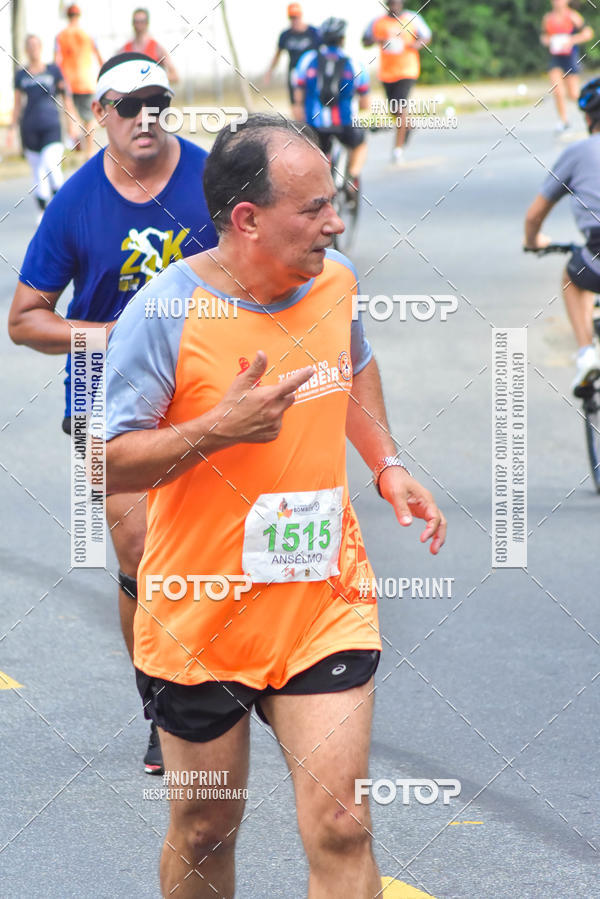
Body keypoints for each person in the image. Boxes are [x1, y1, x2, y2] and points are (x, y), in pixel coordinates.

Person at [103, 113, 446, 898]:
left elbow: (353, 365)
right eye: (314, 207)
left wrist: (387, 463)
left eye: (333, 202)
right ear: (248, 218)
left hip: (321, 601)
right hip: (202, 613)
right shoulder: (163, 313)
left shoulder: (335, 281)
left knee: (343, 822)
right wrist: (216, 430)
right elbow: (106, 460)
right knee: (205, 828)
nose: (335, 222)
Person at [8, 52, 218, 774]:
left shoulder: (213, 181)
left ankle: (237, 680)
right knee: (142, 554)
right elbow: (25, 319)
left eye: (157, 104)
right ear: (100, 114)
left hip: (206, 389)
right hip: (107, 395)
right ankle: (163, 707)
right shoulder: (75, 202)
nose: (144, 119)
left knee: (219, 549)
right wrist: (112, 334)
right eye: (128, 106)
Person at [524, 77, 600, 395]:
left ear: (588, 118)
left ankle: (587, 355)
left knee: (573, 276)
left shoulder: (578, 152)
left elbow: (534, 215)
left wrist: (533, 242)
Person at [292, 18, 370, 201]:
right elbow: (365, 103)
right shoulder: (355, 63)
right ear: (343, 39)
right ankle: (352, 179)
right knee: (360, 144)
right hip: (344, 122)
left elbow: (298, 99)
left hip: (315, 124)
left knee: (315, 153)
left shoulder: (307, 60)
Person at [7, 34, 77, 221]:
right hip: (29, 127)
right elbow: (17, 104)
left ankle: (61, 204)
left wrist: (71, 123)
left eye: (35, 45)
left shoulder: (53, 70)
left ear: (41, 47)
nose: (33, 49)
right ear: (26, 49)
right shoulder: (21, 75)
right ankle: (43, 210)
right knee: (38, 170)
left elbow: (66, 98)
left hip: (51, 125)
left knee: (51, 163)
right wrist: (12, 129)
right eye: (29, 46)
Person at [362, 0, 431, 164]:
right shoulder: (378, 22)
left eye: (397, 3)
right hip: (387, 73)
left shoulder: (412, 18)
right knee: (394, 110)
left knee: (400, 108)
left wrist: (415, 45)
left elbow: (426, 36)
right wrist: (377, 40)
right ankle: (408, 125)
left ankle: (397, 150)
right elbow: (365, 40)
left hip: (407, 70)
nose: (394, 6)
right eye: (391, 3)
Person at [55, 3, 103, 159]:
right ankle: (89, 150)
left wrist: (57, 79)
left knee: (71, 116)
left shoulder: (61, 36)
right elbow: (99, 57)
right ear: (79, 16)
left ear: (67, 16)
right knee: (88, 117)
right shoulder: (88, 34)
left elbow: (56, 60)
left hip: (68, 82)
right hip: (86, 81)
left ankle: (76, 144)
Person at [540, 0, 593, 133]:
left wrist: (571, 40)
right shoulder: (548, 18)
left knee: (573, 94)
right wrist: (547, 40)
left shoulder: (573, 16)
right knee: (557, 90)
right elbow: (544, 36)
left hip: (570, 57)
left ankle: (593, 111)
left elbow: (588, 33)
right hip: (556, 58)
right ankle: (564, 121)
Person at [264, 3, 319, 107]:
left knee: (311, 101)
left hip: (311, 73)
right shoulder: (285, 35)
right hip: (294, 73)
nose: (294, 20)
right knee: (295, 103)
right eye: (292, 17)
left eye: (296, 17)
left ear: (301, 16)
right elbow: (278, 54)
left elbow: (323, 52)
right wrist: (269, 72)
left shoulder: (313, 32)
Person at [119, 7, 179, 85]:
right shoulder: (124, 50)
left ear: (147, 23)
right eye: (136, 21)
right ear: (132, 23)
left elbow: (175, 76)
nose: (139, 24)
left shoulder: (157, 48)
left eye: (142, 21)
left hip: (152, 91)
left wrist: (154, 78)